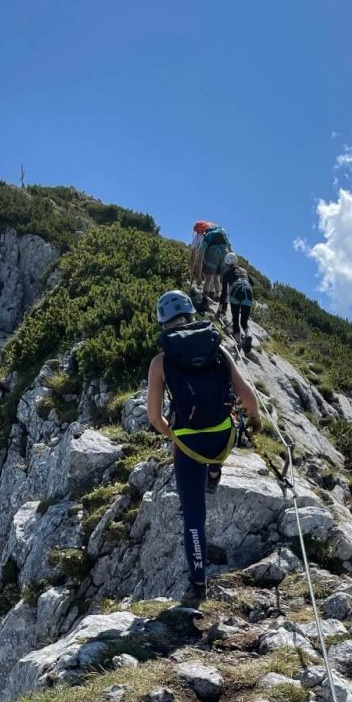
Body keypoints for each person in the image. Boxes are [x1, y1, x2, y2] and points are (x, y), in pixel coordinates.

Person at [147, 290, 261, 599]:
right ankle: (214, 471)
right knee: (217, 442)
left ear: (163, 323)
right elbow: (248, 396)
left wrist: (174, 437)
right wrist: (254, 418)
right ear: (190, 314)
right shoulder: (217, 348)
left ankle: (198, 584)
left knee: (194, 517)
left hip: (188, 444)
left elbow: (154, 417)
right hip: (223, 436)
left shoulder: (161, 362)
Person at [218, 253, 254, 350]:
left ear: (227, 264)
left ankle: (238, 342)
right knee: (244, 321)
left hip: (235, 292)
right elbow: (252, 283)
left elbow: (223, 294)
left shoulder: (227, 274)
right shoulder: (244, 270)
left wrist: (219, 310)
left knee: (235, 319)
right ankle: (248, 335)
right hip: (248, 292)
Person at [199, 225, 231, 299]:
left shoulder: (208, 235)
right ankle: (221, 298)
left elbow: (201, 253)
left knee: (209, 278)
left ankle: (205, 300)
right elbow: (229, 246)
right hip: (224, 253)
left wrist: (199, 275)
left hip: (213, 253)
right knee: (221, 277)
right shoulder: (222, 233)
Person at [189, 220, 215, 286]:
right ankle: (199, 278)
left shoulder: (200, 234)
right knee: (202, 260)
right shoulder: (206, 231)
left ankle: (193, 275)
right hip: (211, 248)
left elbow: (193, 255)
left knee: (198, 259)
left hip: (203, 239)